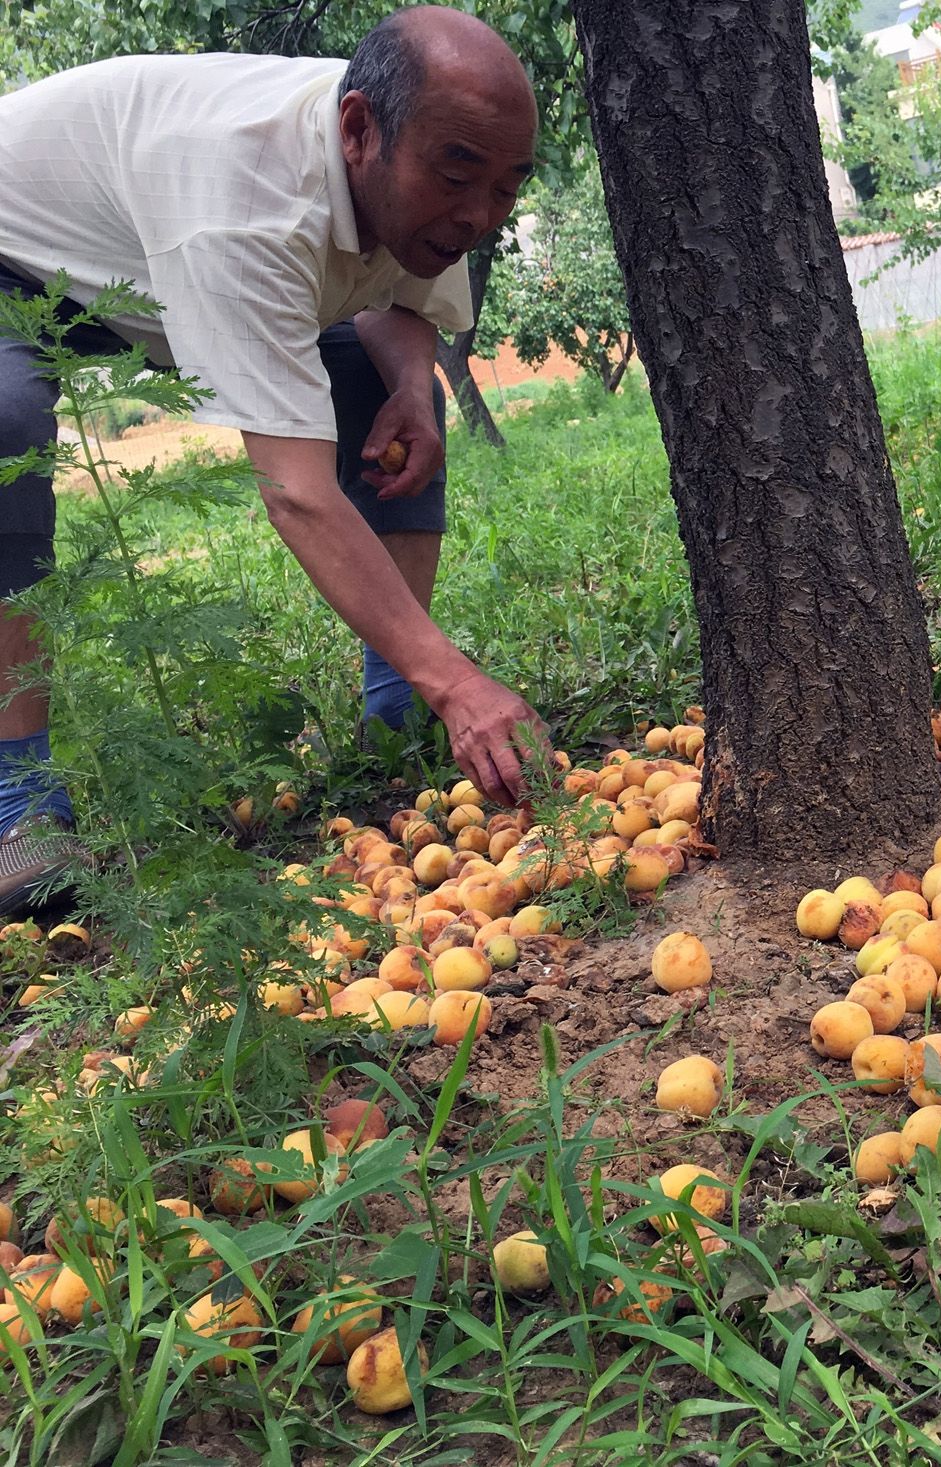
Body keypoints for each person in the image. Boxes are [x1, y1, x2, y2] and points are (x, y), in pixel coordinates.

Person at [0, 6, 548, 913]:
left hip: (148, 246)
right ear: (359, 132)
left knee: (385, 388)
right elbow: (295, 493)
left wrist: (415, 388)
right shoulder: (247, 204)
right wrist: (462, 678)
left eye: (507, 185)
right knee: (5, 424)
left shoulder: (430, 148)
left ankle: (396, 716)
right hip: (18, 250)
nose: (481, 214)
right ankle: (19, 802)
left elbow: (402, 299)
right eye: (460, 177)